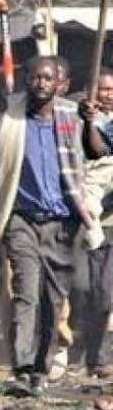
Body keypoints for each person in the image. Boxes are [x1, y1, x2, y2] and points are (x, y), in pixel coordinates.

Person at [0, 56, 89, 393]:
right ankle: (22, 366)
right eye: (35, 77)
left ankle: (40, 367)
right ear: (27, 80)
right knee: (25, 294)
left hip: (61, 224)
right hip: (22, 221)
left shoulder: (73, 122)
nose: (41, 84)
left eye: (47, 79)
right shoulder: (11, 123)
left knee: (53, 302)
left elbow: (94, 157)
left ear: (61, 84)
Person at [77, 69, 113, 378]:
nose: (107, 94)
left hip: (108, 219)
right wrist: (88, 121)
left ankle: (100, 356)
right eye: (102, 89)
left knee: (105, 291)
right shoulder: (74, 117)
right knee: (83, 288)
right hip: (82, 216)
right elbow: (93, 151)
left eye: (112, 89)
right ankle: (86, 350)